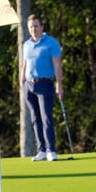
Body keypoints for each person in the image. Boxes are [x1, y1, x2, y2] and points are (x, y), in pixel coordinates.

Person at [20, 14, 64, 162]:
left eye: (36, 26)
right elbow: (25, 64)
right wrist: (22, 80)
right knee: (35, 118)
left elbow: (57, 65)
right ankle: (42, 150)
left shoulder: (51, 43)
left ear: (42, 27)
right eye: (31, 26)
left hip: (45, 83)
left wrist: (59, 85)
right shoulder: (26, 45)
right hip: (29, 84)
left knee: (46, 118)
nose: (34, 29)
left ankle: (51, 150)